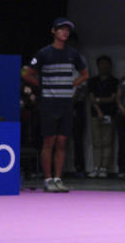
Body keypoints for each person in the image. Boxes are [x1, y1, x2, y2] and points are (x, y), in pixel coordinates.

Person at [22, 18, 89, 193]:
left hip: (66, 102)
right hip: (49, 102)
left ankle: (58, 179)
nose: (65, 33)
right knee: (49, 140)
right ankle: (48, 179)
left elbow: (85, 74)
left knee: (62, 141)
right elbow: (27, 73)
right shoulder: (44, 53)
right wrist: (42, 85)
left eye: (67, 30)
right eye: (61, 29)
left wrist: (71, 85)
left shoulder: (73, 54)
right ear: (53, 31)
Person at [87, 56, 118, 179]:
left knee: (107, 142)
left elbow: (112, 98)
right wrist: (98, 110)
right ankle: (96, 167)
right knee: (96, 142)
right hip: (96, 114)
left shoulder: (114, 81)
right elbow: (91, 98)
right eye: (101, 64)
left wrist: (99, 100)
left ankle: (104, 168)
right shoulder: (92, 81)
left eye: (106, 64)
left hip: (109, 114)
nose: (104, 66)